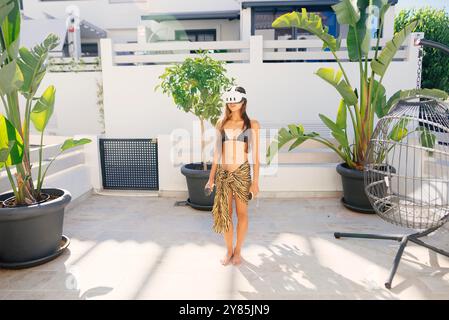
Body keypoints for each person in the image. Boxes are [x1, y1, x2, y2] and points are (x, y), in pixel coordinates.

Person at [206, 86, 260, 266]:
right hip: (223, 174)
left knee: (242, 213)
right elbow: (216, 154)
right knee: (226, 214)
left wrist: (255, 183)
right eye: (229, 101)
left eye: (235, 100)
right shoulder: (221, 123)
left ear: (243, 101)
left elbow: (256, 156)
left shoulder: (252, 124)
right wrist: (211, 178)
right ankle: (229, 250)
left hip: (242, 173)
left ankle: (238, 251)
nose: (232, 104)